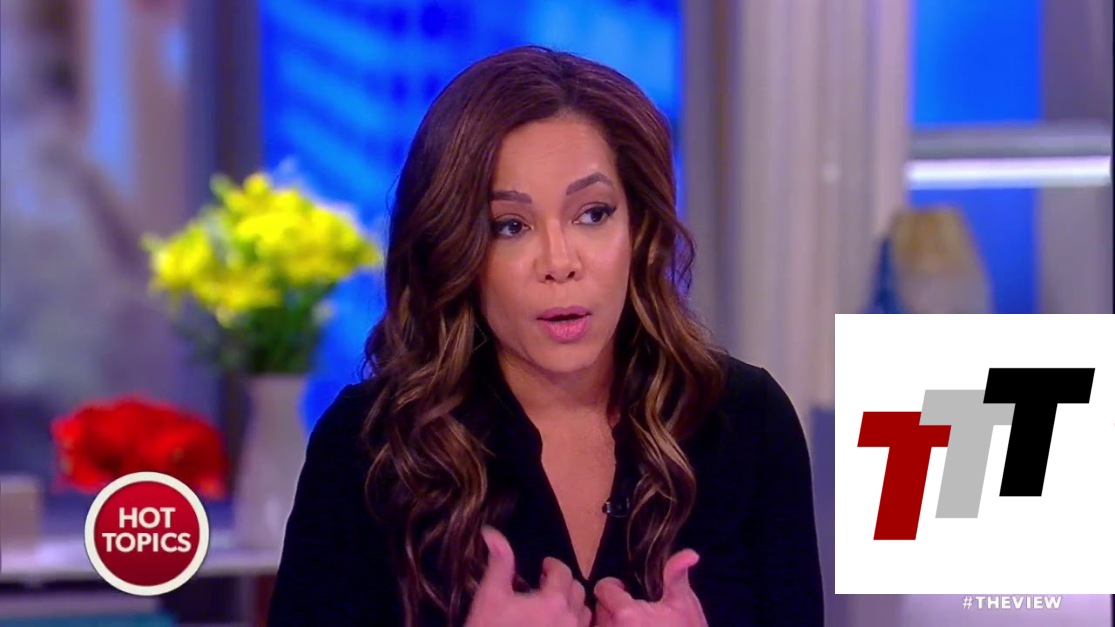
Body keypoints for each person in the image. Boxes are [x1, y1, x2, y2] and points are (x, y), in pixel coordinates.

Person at [268, 45, 824, 626]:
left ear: (638, 229)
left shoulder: (746, 422)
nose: (559, 262)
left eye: (593, 214)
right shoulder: (370, 447)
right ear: (456, 249)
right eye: (510, 226)